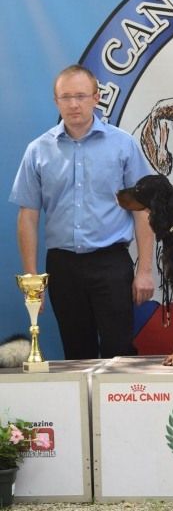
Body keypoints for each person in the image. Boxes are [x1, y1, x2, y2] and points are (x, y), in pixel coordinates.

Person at [9, 64, 155, 360]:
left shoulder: (123, 145)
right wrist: (32, 276)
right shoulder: (37, 151)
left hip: (111, 264)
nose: (73, 104)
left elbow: (143, 212)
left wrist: (145, 271)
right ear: (56, 101)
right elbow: (28, 215)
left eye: (80, 95)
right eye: (66, 97)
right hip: (63, 268)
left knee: (120, 353)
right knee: (77, 353)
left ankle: (121, 407)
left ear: (96, 98)